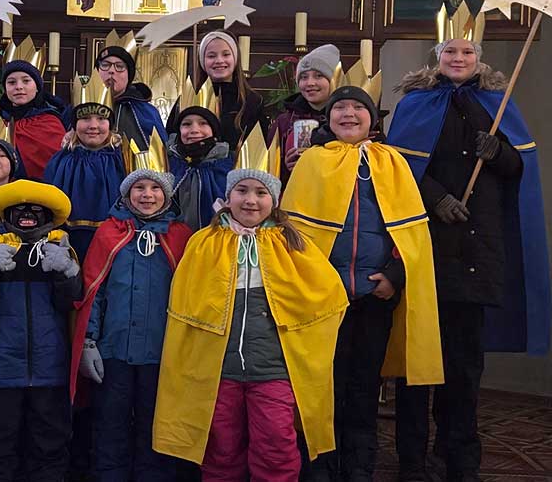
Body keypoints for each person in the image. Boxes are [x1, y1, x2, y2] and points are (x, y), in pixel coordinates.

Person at [387, 38, 550, 481]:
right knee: (417, 366)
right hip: (426, 249)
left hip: (477, 250)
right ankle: (412, 461)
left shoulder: (497, 103)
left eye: (467, 53)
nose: (458, 59)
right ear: (436, 59)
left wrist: (499, 154)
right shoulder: (415, 104)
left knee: (463, 366)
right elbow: (397, 171)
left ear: (479, 60)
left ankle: (459, 458)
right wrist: (436, 197)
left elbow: (521, 170)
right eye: (450, 52)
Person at [282, 86, 443, 481]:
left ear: (372, 119)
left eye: (358, 107)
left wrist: (394, 276)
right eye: (341, 108)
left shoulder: (393, 163)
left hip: (375, 295)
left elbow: (411, 231)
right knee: (323, 385)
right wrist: (316, 284)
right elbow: (292, 232)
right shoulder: (311, 162)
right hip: (324, 299)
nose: (349, 114)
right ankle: (321, 468)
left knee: (364, 387)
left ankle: (359, 468)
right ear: (328, 117)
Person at [153, 168, 348, 481]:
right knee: (220, 451)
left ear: (275, 200)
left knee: (276, 448)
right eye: (242, 191)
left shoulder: (293, 244)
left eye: (261, 193)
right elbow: (183, 309)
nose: (250, 200)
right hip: (216, 372)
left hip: (274, 371)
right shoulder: (203, 243)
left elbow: (329, 301)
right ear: (228, 196)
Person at [0, 181, 82, 482]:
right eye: (20, 209)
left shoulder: (62, 249)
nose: (27, 214)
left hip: (50, 368)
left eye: (36, 210)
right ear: (7, 215)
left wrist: (67, 272)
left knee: (50, 442)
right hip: (1, 367)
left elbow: (73, 304)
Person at [72, 167, 193, 482]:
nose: (147, 195)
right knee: (110, 425)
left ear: (167, 196)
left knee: (156, 426)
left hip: (162, 354)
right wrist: (88, 342)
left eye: (155, 188)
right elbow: (93, 291)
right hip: (114, 352)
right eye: (139, 187)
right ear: (127, 194)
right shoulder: (109, 233)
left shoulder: (181, 236)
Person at [46, 94, 126, 263]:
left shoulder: (123, 161)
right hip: (67, 242)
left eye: (101, 119)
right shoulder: (60, 161)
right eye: (85, 118)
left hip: (113, 241)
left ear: (111, 125)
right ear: (74, 125)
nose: (93, 126)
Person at [0, 59, 66, 181]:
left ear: (37, 87)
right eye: (12, 82)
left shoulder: (50, 123)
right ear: (5, 88)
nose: (19, 87)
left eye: (26, 81)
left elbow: (61, 169)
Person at [170, 30, 268, 151]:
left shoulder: (253, 101)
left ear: (235, 58)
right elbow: (171, 142)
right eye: (211, 56)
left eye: (226, 54)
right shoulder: (187, 99)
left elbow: (260, 148)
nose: (219, 60)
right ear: (202, 61)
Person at [267, 44, 338, 184]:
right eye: (304, 77)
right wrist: (284, 167)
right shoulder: (284, 122)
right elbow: (266, 170)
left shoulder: (345, 121)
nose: (310, 83)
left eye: (319, 76)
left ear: (334, 79)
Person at [91, 42, 167, 151]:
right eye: (105, 65)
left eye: (119, 66)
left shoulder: (146, 111)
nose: (111, 71)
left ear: (128, 76)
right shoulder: (80, 105)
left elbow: (160, 153)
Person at [168, 103, 232, 231]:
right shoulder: (171, 164)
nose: (194, 130)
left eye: (203, 123)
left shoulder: (227, 164)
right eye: (186, 124)